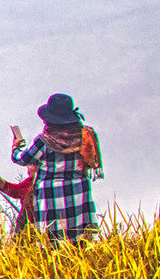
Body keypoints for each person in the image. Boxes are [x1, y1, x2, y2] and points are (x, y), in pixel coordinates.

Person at [10, 93, 103, 242]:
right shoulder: (85, 136)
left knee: (53, 243)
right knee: (81, 240)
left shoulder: (44, 141)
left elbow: (23, 159)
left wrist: (15, 148)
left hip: (51, 196)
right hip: (80, 192)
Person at [0, 165, 36, 233]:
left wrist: (36, 226)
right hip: (25, 225)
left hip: (40, 227)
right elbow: (16, 191)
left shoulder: (48, 185)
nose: (28, 167)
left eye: (32, 164)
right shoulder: (29, 182)